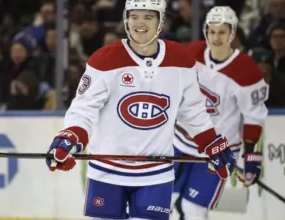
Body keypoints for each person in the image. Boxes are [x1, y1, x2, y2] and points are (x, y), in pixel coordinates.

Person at [45, 1, 236, 220]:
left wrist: (210, 142)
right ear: (126, 20)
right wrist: (72, 135)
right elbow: (84, 108)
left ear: (161, 21)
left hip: (155, 174)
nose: (140, 23)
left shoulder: (181, 61)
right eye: (134, 16)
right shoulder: (104, 60)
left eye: (148, 17)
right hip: (106, 171)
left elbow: (192, 110)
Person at [172, 6, 268, 220]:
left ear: (232, 34)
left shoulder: (247, 71)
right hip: (179, 142)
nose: (216, 37)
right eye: (212, 31)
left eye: (222, 32)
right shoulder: (193, 53)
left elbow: (253, 117)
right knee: (163, 203)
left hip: (217, 151)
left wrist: (251, 156)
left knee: (193, 208)